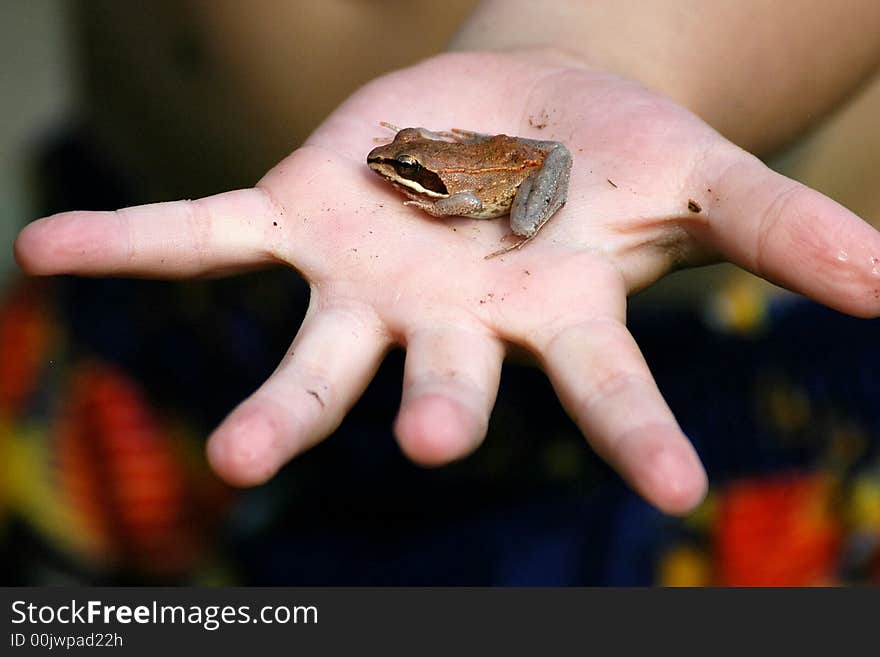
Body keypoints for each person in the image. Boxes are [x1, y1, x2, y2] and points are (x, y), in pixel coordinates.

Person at [14, 0, 880, 517]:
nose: (384, 173)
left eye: (399, 169)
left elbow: (470, 194)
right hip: (164, 330)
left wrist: (574, 62)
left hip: (710, 366)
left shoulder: (444, 194)